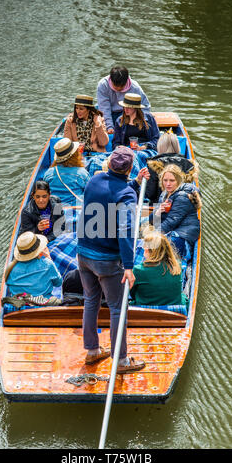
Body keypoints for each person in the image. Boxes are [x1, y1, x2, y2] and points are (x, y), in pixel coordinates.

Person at [77, 146, 149, 374]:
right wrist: (128, 266)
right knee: (118, 309)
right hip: (107, 260)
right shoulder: (126, 195)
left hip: (84, 254)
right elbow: (126, 229)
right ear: (129, 168)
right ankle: (121, 361)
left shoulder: (94, 180)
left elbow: (112, 191)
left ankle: (92, 351)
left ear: (109, 164)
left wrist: (136, 183)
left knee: (91, 301)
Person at [150, 164, 202, 258]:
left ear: (178, 181)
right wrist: (157, 212)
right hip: (171, 230)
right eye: (165, 180)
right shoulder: (164, 194)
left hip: (183, 235)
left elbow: (170, 222)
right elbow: (152, 221)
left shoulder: (182, 197)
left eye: (172, 180)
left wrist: (153, 236)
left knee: (154, 245)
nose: (168, 184)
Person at [130, 229, 188, 306]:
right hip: (174, 311)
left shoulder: (138, 270)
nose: (144, 248)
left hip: (145, 310)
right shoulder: (176, 265)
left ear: (147, 250)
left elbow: (132, 293)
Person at [6, 231, 62, 302]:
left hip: (20, 305)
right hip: (44, 304)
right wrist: (48, 257)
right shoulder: (47, 264)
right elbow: (58, 283)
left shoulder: (10, 267)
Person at [146, 132, 199, 204]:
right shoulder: (190, 166)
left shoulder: (154, 165)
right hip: (182, 208)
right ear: (177, 146)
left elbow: (150, 194)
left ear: (160, 146)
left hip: (159, 207)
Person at [97, 66, 151, 133]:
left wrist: (140, 121)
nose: (119, 89)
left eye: (122, 87)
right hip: (110, 111)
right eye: (116, 86)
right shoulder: (103, 85)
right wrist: (109, 127)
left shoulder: (135, 87)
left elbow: (145, 106)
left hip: (127, 113)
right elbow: (104, 108)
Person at [43, 138, 90, 207]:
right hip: (76, 209)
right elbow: (90, 191)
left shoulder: (48, 173)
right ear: (75, 154)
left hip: (55, 209)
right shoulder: (81, 173)